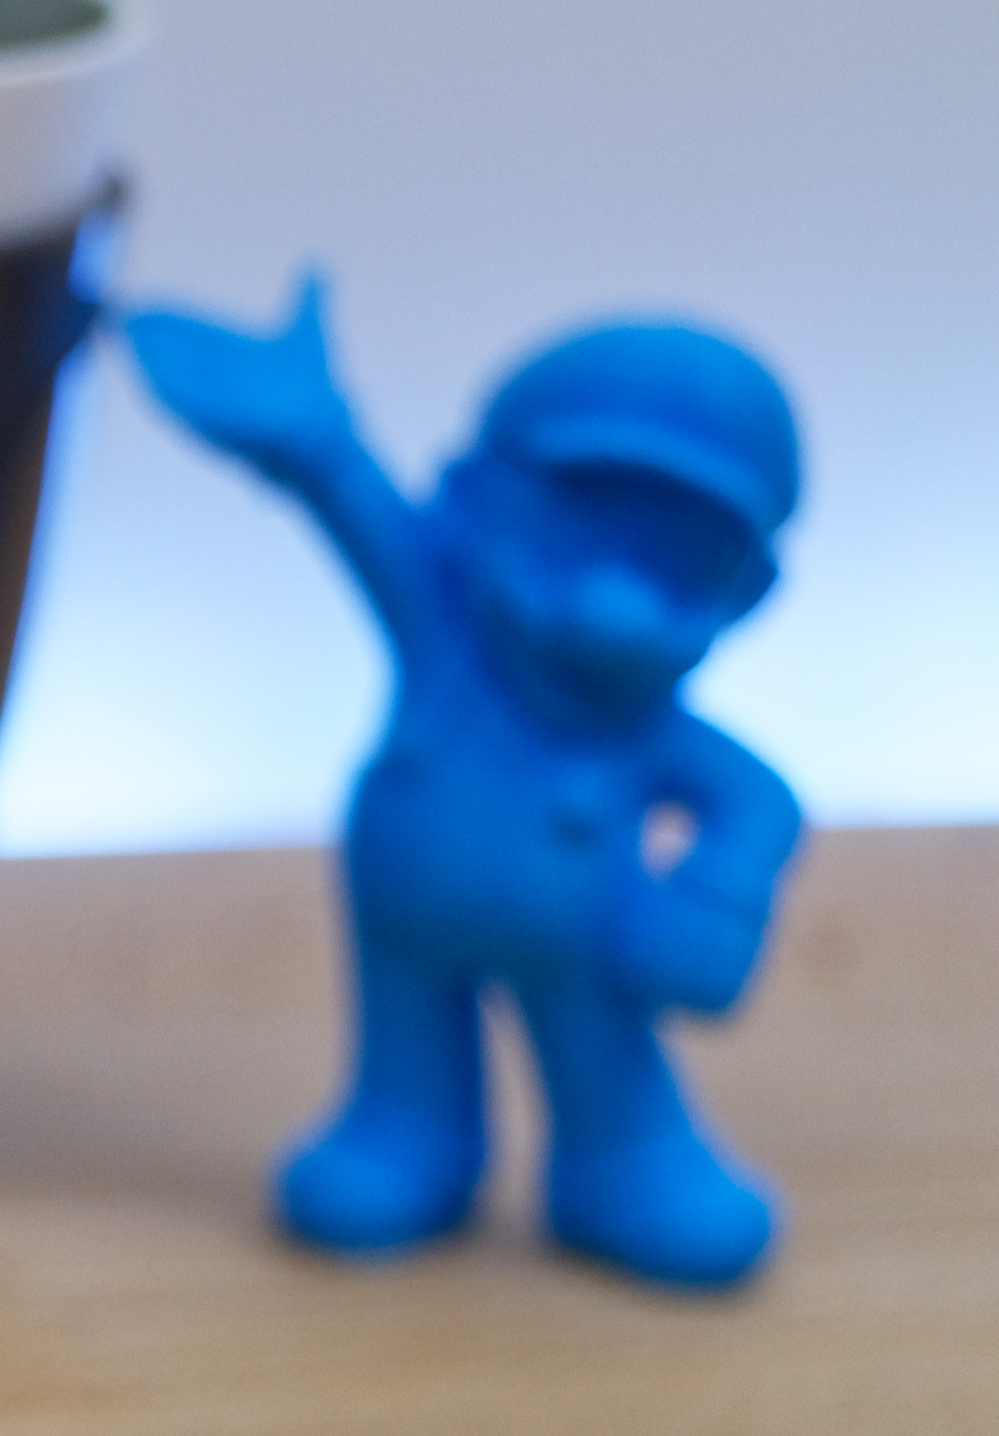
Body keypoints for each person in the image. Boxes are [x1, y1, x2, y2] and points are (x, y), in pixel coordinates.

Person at [125, 284, 806, 1289]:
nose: (609, 603)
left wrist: (719, 895)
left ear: (744, 592)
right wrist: (313, 438)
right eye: (567, 532)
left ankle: (624, 1164)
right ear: (472, 505)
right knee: (402, 1064)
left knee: (599, 1054)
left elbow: (756, 800)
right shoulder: (444, 635)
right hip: (402, 933)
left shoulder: (647, 732)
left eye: (676, 564)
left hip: (582, 947)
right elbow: (351, 498)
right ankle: (409, 1131)